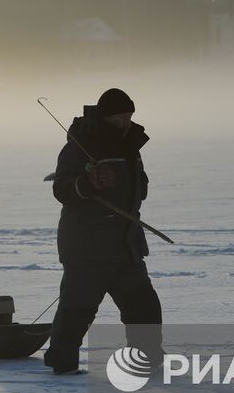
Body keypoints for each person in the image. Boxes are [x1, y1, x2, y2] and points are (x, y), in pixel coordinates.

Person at [43, 87, 163, 375]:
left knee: (144, 308)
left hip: (125, 246)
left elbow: (138, 189)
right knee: (76, 312)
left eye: (130, 114)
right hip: (87, 249)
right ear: (108, 116)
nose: (127, 120)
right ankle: (62, 363)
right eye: (122, 115)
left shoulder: (130, 144)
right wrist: (88, 183)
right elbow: (62, 189)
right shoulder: (79, 145)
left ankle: (147, 360)